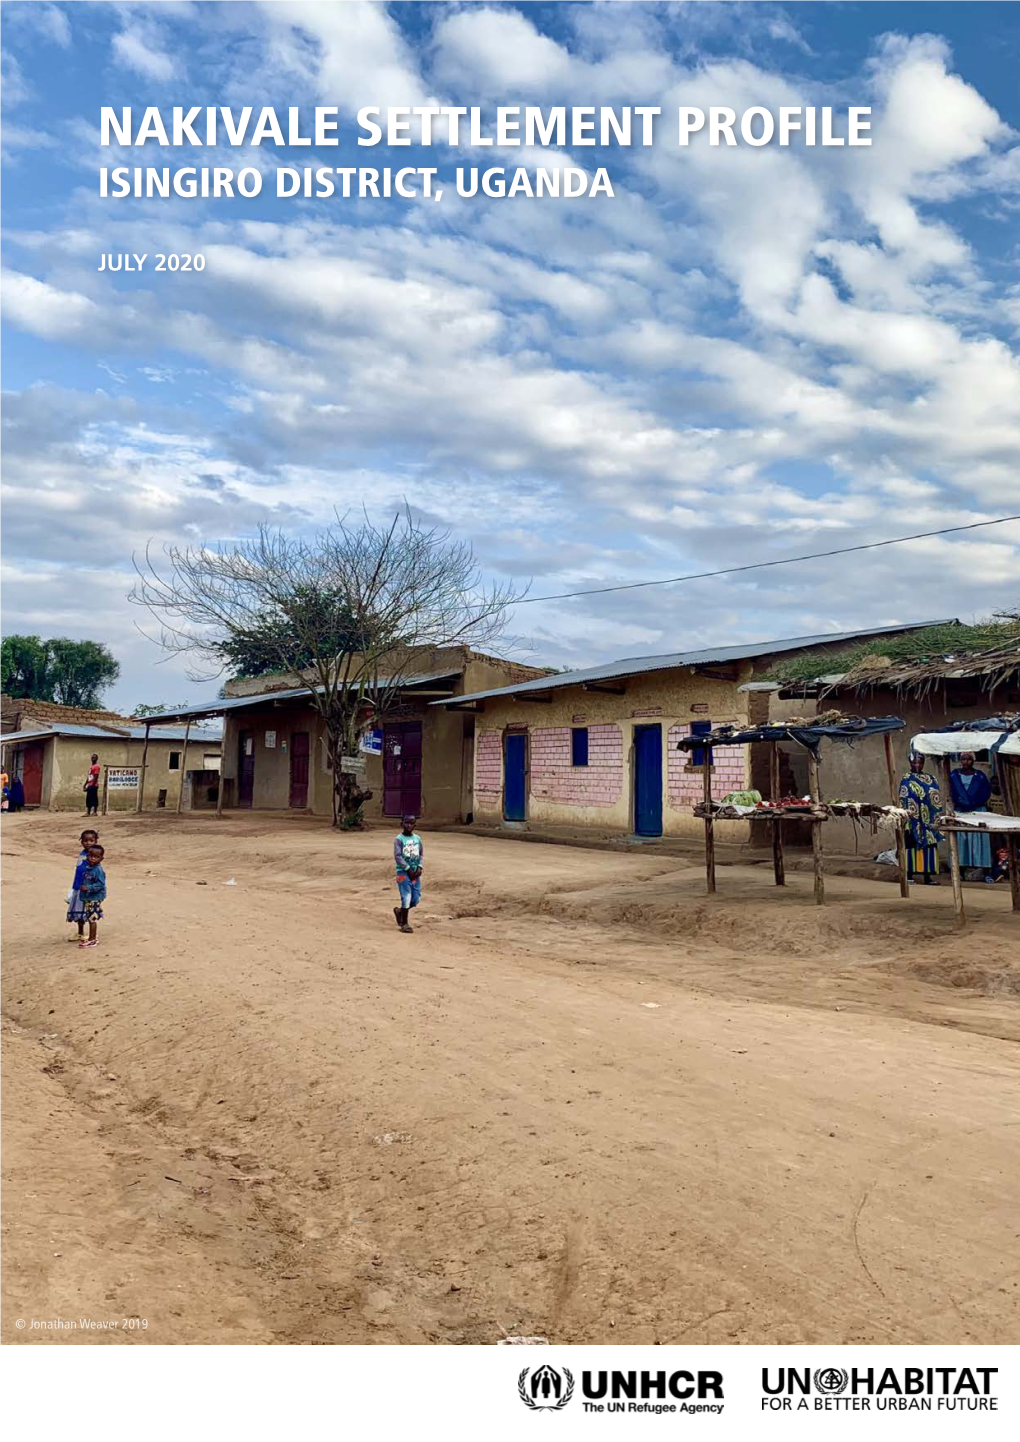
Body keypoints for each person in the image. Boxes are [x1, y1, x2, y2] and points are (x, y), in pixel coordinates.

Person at [949, 752, 994, 882]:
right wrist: (961, 803)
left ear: (973, 760)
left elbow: (986, 793)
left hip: (977, 811)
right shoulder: (954, 775)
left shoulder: (980, 776)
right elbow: (951, 791)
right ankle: (960, 871)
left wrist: (972, 803)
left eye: (969, 759)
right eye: (963, 759)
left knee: (979, 839)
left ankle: (986, 872)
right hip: (960, 812)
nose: (966, 762)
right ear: (960, 760)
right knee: (962, 840)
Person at [898, 753, 942, 884]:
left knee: (930, 846)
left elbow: (935, 796)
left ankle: (927, 876)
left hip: (928, 819)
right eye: (914, 762)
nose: (917, 765)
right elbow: (904, 797)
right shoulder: (906, 778)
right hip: (913, 820)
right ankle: (909, 875)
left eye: (920, 762)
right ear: (910, 762)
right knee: (911, 845)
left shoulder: (930, 778)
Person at [393, 813, 423, 934]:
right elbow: (398, 856)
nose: (409, 825)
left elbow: (421, 854)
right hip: (403, 873)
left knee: (415, 899)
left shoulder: (417, 839)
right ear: (402, 824)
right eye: (406, 822)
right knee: (406, 896)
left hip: (415, 872)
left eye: (411, 823)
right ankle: (404, 923)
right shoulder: (399, 839)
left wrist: (419, 867)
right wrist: (407, 868)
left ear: (415, 825)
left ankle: (400, 911)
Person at [67, 828, 99, 940]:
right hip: (78, 887)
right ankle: (80, 932)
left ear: (96, 841)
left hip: (88, 890)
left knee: (89, 912)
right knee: (78, 910)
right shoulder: (83, 853)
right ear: (81, 842)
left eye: (91, 840)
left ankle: (92, 936)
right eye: (85, 840)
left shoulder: (94, 856)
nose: (88, 843)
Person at [78, 842, 106, 948]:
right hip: (88, 897)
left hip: (94, 898)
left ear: (101, 859)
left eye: (96, 857)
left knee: (92, 919)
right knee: (90, 917)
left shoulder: (97, 870)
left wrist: (88, 888)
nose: (93, 859)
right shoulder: (88, 868)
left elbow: (100, 884)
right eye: (91, 856)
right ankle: (92, 938)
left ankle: (92, 939)